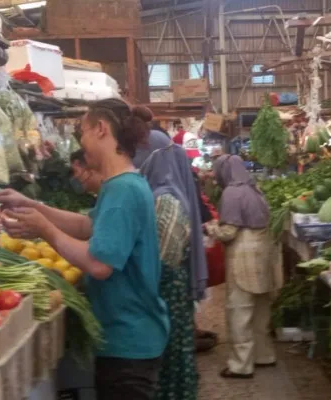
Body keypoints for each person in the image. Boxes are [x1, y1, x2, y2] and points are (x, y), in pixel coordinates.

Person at [0, 99, 169, 400]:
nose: (82, 143)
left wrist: (44, 230)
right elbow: (87, 227)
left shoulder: (123, 190)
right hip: (130, 333)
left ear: (101, 129)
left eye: (83, 132)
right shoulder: (122, 184)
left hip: (129, 339)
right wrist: (32, 206)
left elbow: (99, 265)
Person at [134, 125, 207, 400]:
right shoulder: (163, 193)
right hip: (169, 296)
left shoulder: (165, 200)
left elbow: (161, 260)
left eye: (139, 153)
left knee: (170, 365)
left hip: (167, 296)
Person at [206, 155, 283, 379]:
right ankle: (264, 354)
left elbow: (229, 232)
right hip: (264, 250)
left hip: (244, 253)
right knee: (261, 308)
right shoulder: (255, 190)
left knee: (240, 310)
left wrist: (211, 229)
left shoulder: (231, 192)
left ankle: (241, 365)